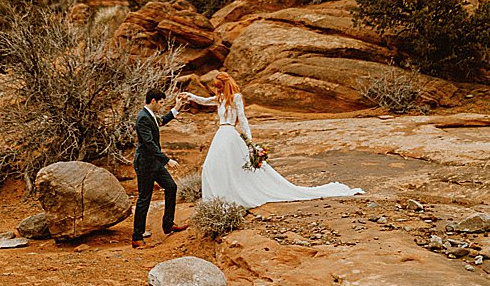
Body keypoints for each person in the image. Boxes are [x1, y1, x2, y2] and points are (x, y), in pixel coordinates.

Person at [181, 71, 363, 208]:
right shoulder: (220, 98)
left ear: (224, 85)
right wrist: (189, 96)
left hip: (229, 134)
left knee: (224, 166)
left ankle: (226, 199)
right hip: (221, 134)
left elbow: (243, 119)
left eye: (218, 86)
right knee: (211, 167)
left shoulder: (235, 97)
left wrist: (250, 142)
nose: (216, 88)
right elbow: (205, 101)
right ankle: (216, 199)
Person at [132, 88, 188, 248]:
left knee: (171, 187)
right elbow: (149, 144)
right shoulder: (142, 117)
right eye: (161, 102)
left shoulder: (150, 115)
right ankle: (137, 237)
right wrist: (167, 160)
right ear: (153, 101)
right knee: (144, 199)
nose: (162, 105)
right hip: (145, 164)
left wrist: (177, 107)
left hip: (154, 162)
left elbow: (162, 121)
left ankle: (168, 224)